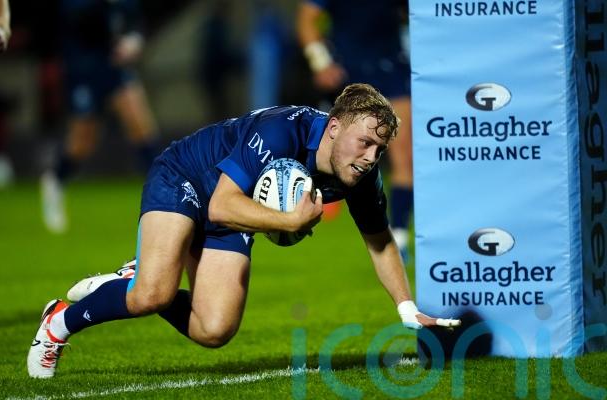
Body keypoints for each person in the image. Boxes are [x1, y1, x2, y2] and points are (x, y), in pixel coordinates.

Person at [27, 83, 459, 379]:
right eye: (365, 143)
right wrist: (291, 221)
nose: (370, 157)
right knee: (152, 295)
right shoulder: (282, 131)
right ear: (334, 127)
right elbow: (220, 204)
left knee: (213, 330)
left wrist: (405, 307)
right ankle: (58, 323)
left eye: (379, 149)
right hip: (188, 177)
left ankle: (138, 276)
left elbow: (379, 241)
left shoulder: (361, 176)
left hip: (236, 206)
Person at [296, 0, 414, 258]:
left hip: (392, 66)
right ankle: (314, 204)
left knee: (404, 154)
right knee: (329, 151)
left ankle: (399, 236)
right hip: (347, 72)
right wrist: (321, 63)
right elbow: (306, 19)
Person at [40, 0, 159, 233]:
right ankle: (55, 180)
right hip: (84, 68)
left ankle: (163, 196)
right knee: (82, 141)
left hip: (115, 67)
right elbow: (73, 17)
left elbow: (133, 19)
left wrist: (134, 40)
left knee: (140, 124)